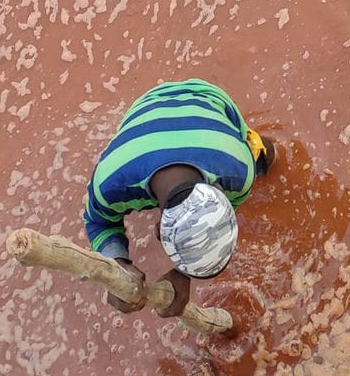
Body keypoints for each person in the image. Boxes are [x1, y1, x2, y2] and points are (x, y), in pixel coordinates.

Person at [83, 78, 273, 319]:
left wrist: (183, 271)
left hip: (209, 99)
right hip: (144, 109)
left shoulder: (239, 169)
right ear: (158, 229)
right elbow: (96, 221)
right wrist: (115, 263)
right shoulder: (110, 184)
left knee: (262, 153)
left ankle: (268, 150)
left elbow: (228, 208)